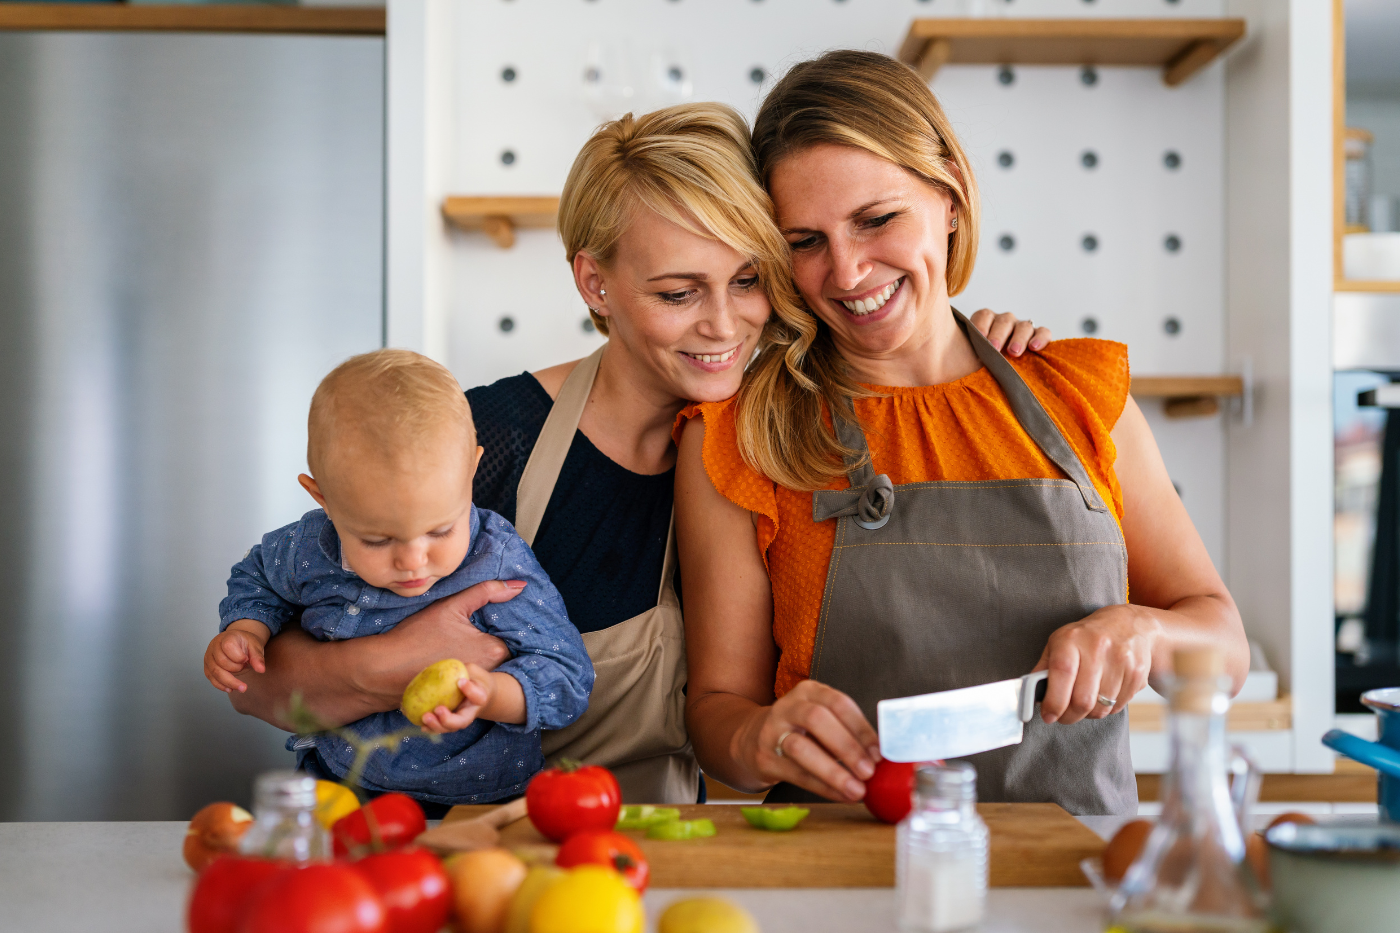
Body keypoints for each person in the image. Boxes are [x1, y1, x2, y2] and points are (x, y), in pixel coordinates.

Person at [225, 102, 1048, 804]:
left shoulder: (775, 446)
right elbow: (262, 692)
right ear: (594, 284)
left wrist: (978, 355)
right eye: (677, 292)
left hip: (633, 860)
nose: (724, 325)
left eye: (749, 280)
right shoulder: (487, 441)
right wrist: (403, 657)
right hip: (426, 853)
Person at [674, 51, 1250, 815]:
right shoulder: (742, 435)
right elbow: (718, 711)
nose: (846, 272)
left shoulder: (1076, 396)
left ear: (949, 194)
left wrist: (1142, 633)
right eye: (804, 240)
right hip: (843, 878)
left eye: (876, 220)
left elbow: (1224, 646)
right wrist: (759, 738)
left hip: (1068, 876)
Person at [204, 349, 592, 813]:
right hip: (341, 787)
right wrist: (248, 628)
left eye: (440, 530)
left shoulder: (499, 559)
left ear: (471, 470)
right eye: (376, 539)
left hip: (482, 801)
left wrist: (492, 695)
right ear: (322, 498)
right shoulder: (307, 546)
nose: (413, 561)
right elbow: (257, 578)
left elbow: (568, 678)